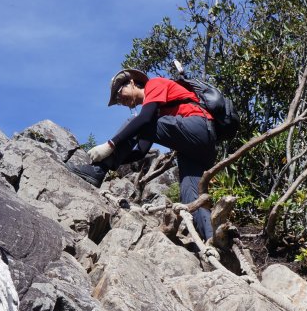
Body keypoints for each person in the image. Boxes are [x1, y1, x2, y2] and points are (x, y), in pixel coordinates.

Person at [70, 68, 216, 240]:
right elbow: (140, 152)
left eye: (118, 93)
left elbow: (143, 121)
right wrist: (114, 159)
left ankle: (98, 171)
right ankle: (211, 240)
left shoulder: (154, 84)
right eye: (117, 100)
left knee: (135, 122)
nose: (120, 100)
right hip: (198, 149)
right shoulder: (153, 112)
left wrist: (110, 145)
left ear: (131, 83)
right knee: (191, 196)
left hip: (199, 127)